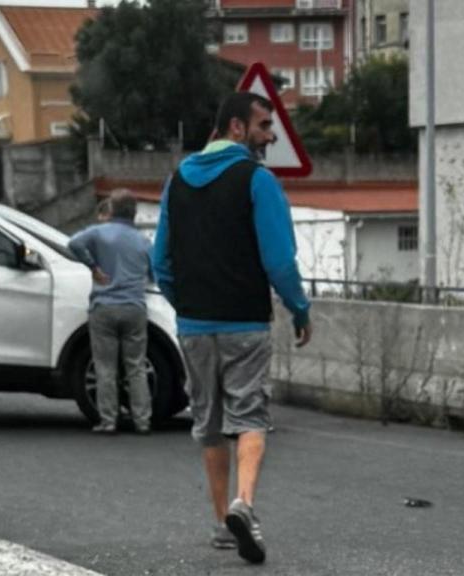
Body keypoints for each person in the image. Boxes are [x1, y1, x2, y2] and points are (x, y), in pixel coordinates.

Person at [151, 92, 312, 564]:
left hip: (195, 326)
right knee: (251, 416)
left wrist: (188, 307)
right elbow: (279, 260)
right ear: (237, 128)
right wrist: (299, 310)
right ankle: (245, 503)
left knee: (209, 421)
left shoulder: (176, 181)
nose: (270, 136)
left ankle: (223, 522)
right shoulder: (257, 180)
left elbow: (160, 262)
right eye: (264, 126)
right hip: (244, 322)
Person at [68, 190, 154, 435]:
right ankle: (142, 420)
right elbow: (153, 273)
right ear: (134, 213)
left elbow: (73, 244)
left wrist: (93, 266)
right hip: (134, 307)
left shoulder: (98, 233)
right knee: (136, 366)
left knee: (106, 367)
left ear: (112, 210)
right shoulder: (144, 241)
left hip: (104, 306)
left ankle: (108, 420)